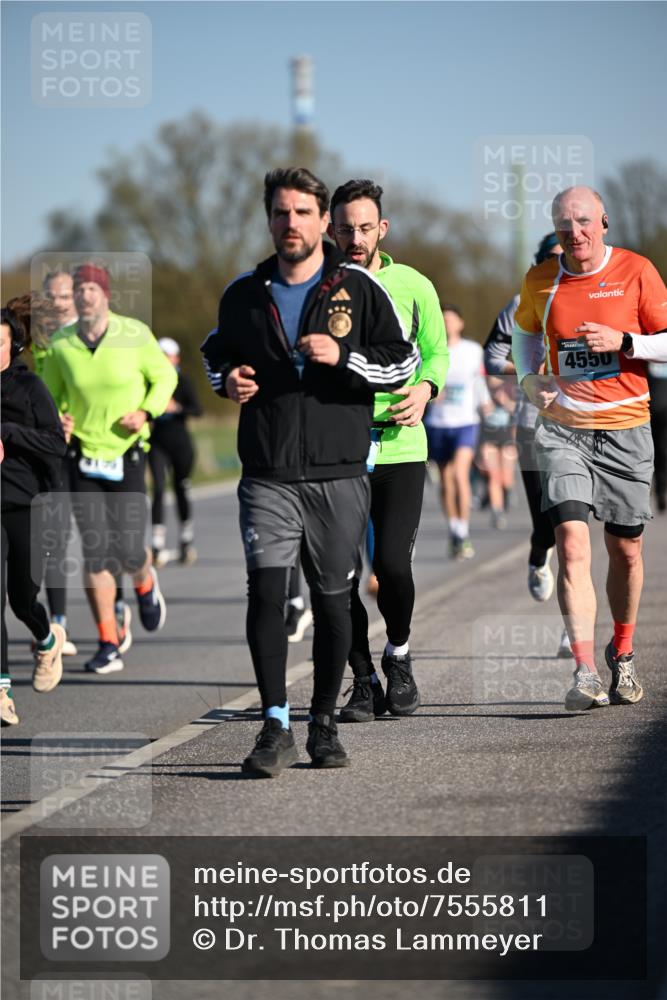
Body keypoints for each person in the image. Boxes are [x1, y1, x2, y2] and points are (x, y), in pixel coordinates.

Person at [201, 166, 418, 776]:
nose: (289, 222)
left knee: (332, 601)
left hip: (338, 471)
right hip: (267, 473)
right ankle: (275, 724)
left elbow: (401, 360)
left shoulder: (357, 289)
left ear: (323, 221)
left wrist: (344, 356)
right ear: (268, 218)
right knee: (267, 593)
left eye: (301, 212)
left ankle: (323, 722)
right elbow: (215, 351)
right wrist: (229, 380)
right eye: (279, 212)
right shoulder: (243, 292)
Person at [513, 186, 667, 711]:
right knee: (572, 543)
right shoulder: (540, 280)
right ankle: (583, 671)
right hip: (563, 430)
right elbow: (523, 335)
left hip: (626, 426)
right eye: (563, 225)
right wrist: (530, 380)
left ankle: (621, 653)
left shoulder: (637, 270)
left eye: (582, 222)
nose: (573, 233)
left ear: (603, 222)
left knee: (625, 549)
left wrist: (625, 342)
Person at [328, 179, 448, 722]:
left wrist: (425, 390)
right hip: (338, 449)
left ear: (382, 229)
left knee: (392, 568)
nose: (355, 237)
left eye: (364, 227)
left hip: (400, 448)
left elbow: (435, 354)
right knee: (338, 576)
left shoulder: (414, 285)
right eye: (345, 228)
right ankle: (363, 681)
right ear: (330, 230)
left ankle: (398, 656)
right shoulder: (319, 286)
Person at [42, 263, 177, 674]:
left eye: (91, 289)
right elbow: (49, 395)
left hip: (128, 452)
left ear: (105, 295)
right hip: (83, 455)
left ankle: (144, 581)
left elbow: (164, 379)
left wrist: (146, 411)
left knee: (129, 548)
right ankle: (107, 641)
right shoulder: (62, 344)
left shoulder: (133, 334)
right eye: (78, 290)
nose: (84, 297)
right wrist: (58, 420)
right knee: (96, 552)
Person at [1, 296, 68, 725]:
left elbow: (56, 445)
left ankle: (46, 640)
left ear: (12, 345)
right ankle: (2, 691)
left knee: (22, 598)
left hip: (25, 503)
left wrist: (8, 433)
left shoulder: (29, 388)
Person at [424, 305, 488, 559]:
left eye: (451, 319)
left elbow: (479, 380)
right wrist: (430, 395)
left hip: (465, 421)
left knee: (460, 473)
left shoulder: (472, 351)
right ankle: (454, 528)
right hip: (438, 423)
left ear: (460, 323)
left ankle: (463, 530)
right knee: (446, 479)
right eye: (443, 320)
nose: (447, 324)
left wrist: (485, 404)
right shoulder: (429, 349)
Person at [149, 337, 202, 567]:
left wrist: (177, 407)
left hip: (180, 441)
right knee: (159, 489)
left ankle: (185, 540)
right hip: (157, 441)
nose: (164, 359)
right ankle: (157, 544)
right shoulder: (150, 381)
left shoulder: (183, 381)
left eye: (167, 355)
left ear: (176, 358)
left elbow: (197, 409)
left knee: (181, 488)